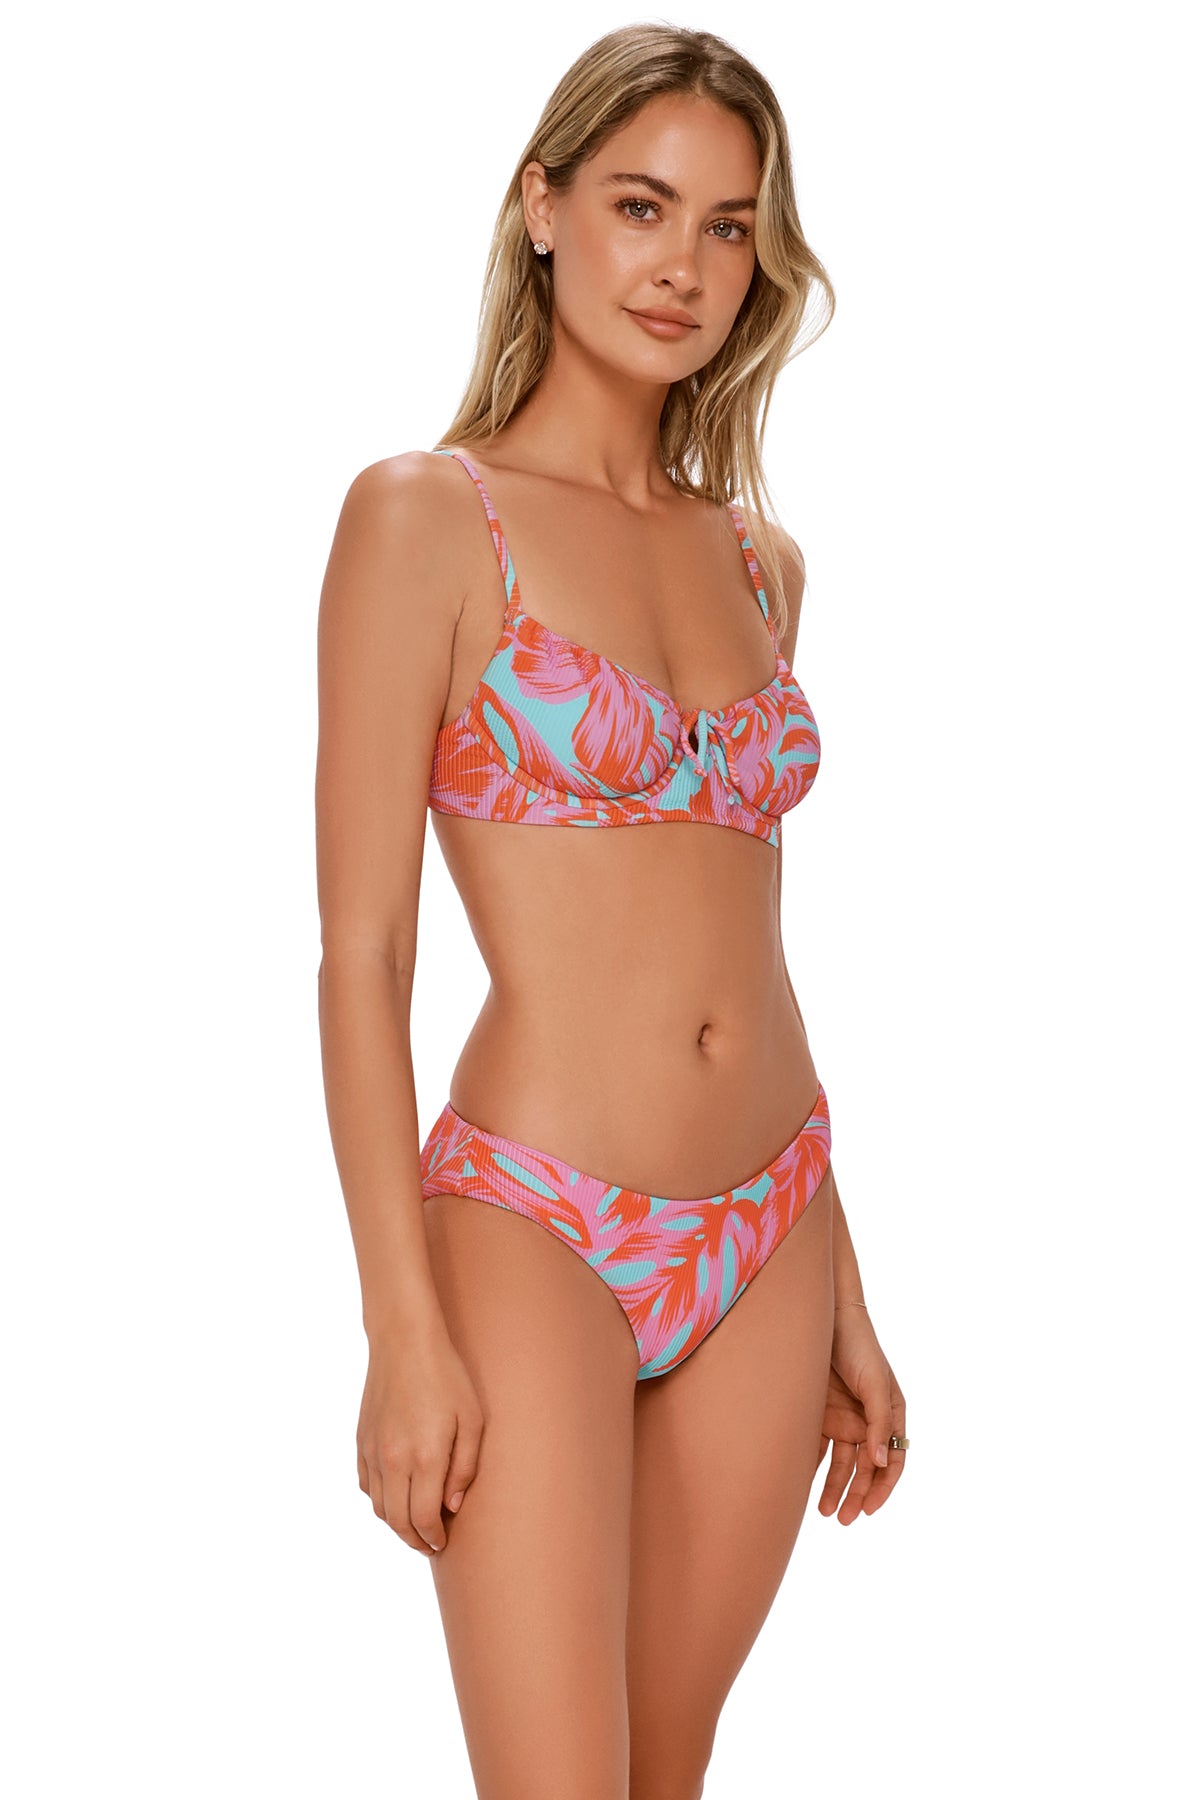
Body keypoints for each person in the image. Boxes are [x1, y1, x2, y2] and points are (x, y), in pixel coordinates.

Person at [315, 21, 908, 1798]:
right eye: (642, 206)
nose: (685, 266)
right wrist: (399, 1326)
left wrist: (845, 1289)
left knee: (666, 1777)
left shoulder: (758, 562)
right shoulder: (427, 520)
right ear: (542, 207)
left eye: (730, 227)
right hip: (536, 1220)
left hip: (771, 1218)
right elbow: (364, 958)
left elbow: (751, 952)